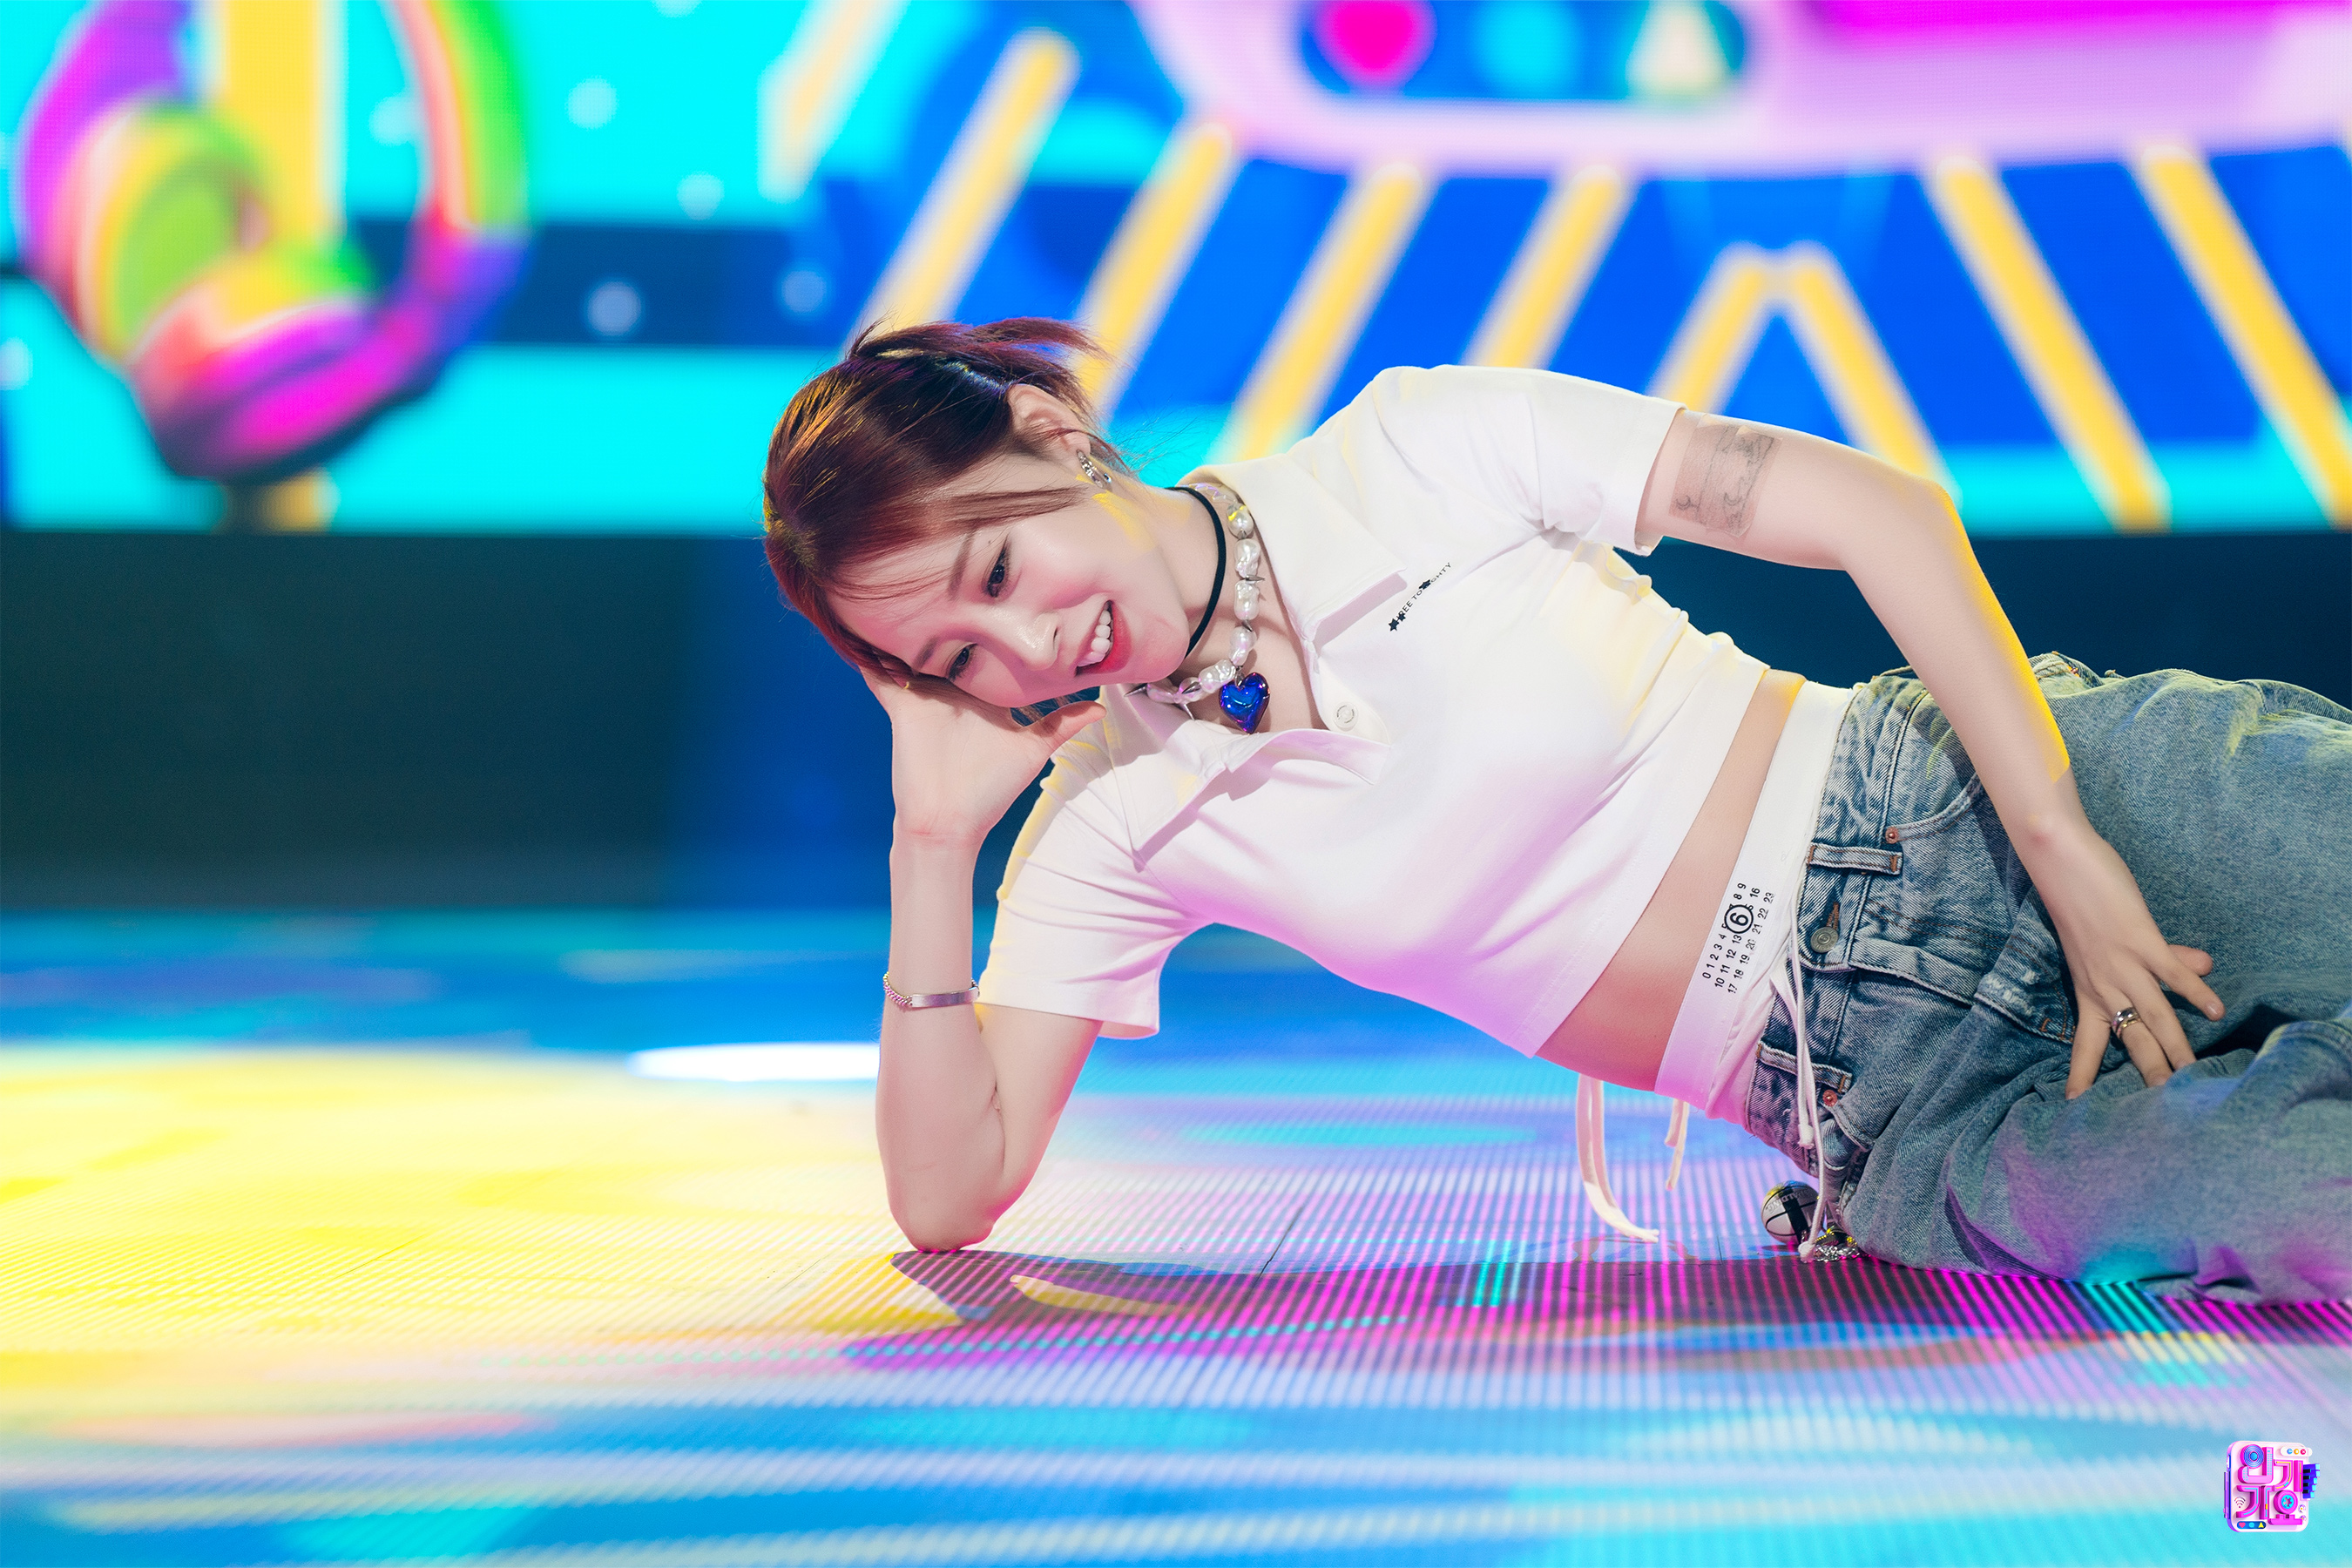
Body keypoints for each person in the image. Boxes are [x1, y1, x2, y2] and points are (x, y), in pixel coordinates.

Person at [760, 317, 2352, 1303]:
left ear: (1054, 439)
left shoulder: (1407, 449)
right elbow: (949, 1196)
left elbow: (1878, 509)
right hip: (1907, 1117)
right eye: (956, 658)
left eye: (998, 570)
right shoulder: (1110, 816)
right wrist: (930, 847)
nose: (1028, 649)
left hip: (1991, 803)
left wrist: (2065, 848)